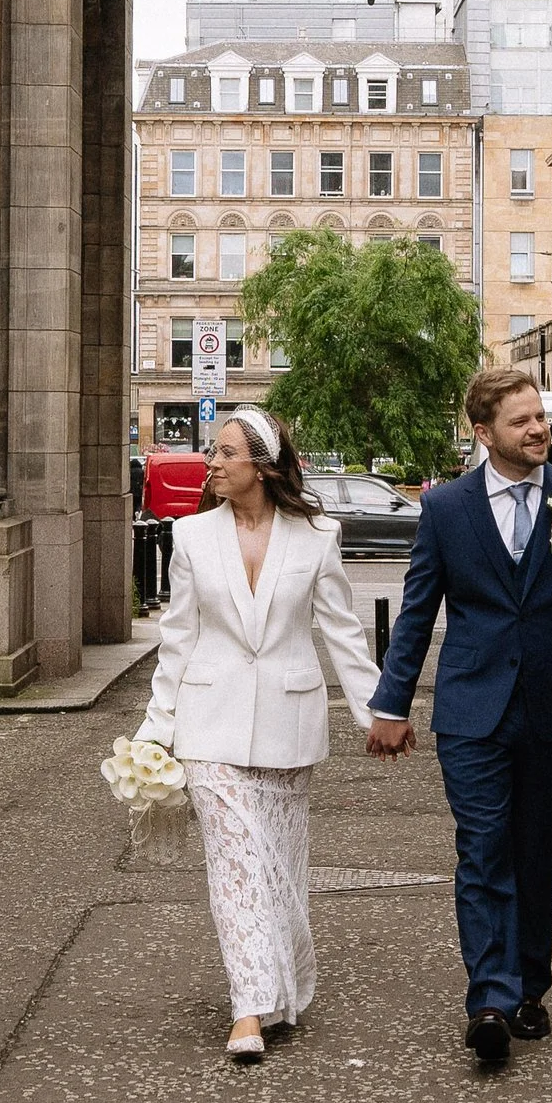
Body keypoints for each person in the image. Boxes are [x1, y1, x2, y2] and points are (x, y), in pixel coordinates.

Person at [366, 365, 552, 1064]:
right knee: (483, 847)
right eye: (522, 420)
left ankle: (529, 985)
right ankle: (489, 994)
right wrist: (392, 701)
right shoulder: (448, 509)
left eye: (540, 415)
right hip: (472, 708)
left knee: (536, 848)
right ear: (485, 433)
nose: (539, 428)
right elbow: (418, 610)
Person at [135, 406, 383, 1063]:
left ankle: (281, 987)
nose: (211, 462)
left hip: (288, 724)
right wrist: (153, 733)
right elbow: (177, 640)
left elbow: (343, 632)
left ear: (262, 466)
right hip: (206, 727)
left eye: (224, 453)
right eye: (213, 452)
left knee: (278, 866)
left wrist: (376, 712)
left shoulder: (315, 536)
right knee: (234, 862)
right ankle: (248, 1003)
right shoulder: (189, 537)